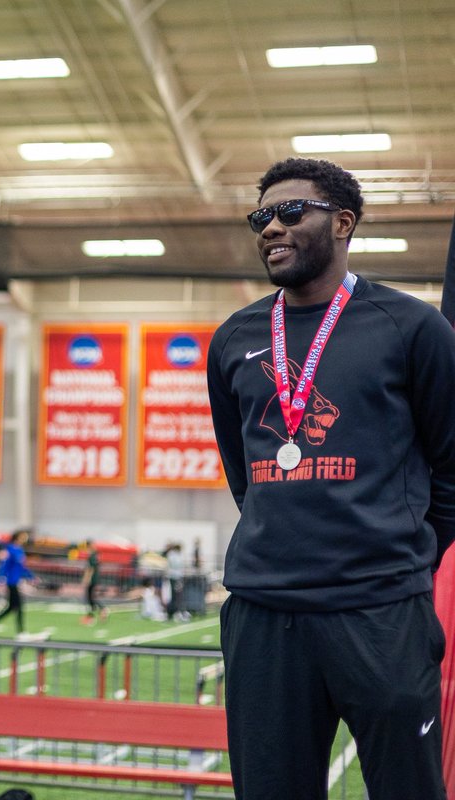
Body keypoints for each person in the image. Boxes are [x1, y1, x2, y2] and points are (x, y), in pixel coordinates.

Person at [206, 157, 455, 800]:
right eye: (261, 216)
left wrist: (398, 554)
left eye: (291, 212)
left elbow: (452, 468)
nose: (271, 227)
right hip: (265, 615)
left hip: (379, 612)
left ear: (343, 223)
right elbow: (246, 475)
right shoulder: (234, 337)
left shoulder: (412, 327)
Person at [0, 530, 33, 635]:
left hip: (16, 581)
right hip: (11, 582)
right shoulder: (10, 549)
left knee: (12, 607)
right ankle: (21, 631)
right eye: (23, 536)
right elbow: (4, 566)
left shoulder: (20, 550)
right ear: (18, 537)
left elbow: (22, 567)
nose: (25, 538)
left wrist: (31, 576)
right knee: (18, 606)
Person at [80, 540, 107, 625]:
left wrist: (86, 579)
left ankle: (101, 610)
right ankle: (92, 615)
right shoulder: (95, 555)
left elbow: (90, 569)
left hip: (92, 579)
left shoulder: (92, 556)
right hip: (95, 579)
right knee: (90, 598)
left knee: (90, 598)